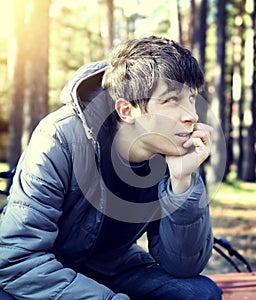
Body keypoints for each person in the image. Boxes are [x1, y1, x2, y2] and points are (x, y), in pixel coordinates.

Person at [0, 36, 222, 299]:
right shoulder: (60, 138)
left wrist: (183, 182)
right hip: (40, 271)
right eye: (172, 100)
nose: (192, 116)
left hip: (108, 268)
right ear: (127, 111)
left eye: (192, 99)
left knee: (199, 293)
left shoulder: (168, 153)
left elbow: (184, 266)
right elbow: (17, 260)